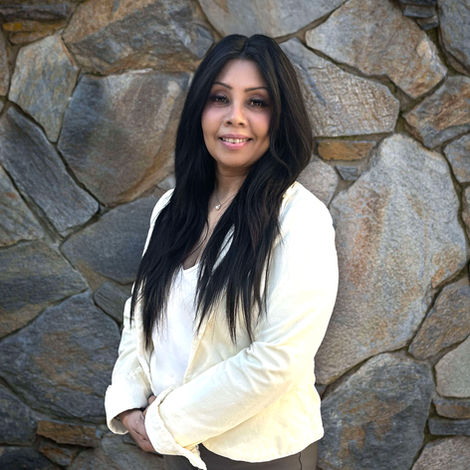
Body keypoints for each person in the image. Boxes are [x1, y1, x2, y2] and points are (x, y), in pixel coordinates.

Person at [104, 34, 338, 470]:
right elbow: (139, 315)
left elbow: (277, 360)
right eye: (220, 98)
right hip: (177, 449)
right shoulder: (172, 209)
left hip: (258, 455)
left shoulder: (299, 218)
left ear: (280, 117)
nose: (235, 117)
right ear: (200, 109)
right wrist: (129, 402)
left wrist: (164, 423)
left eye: (256, 102)